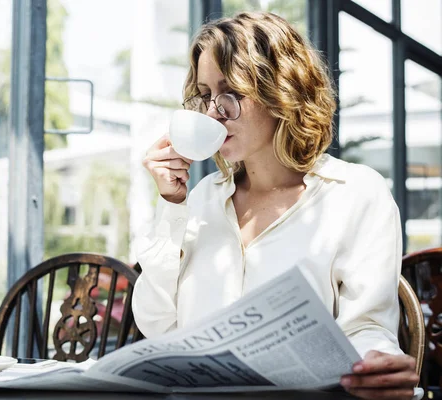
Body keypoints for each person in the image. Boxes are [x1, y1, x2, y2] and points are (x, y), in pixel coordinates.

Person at [132, 11, 420, 400]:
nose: (213, 110)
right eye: (204, 95)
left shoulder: (355, 193)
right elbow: (158, 325)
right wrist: (171, 206)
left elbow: (366, 328)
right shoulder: (200, 198)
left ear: (280, 92)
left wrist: (378, 364)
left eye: (230, 91)